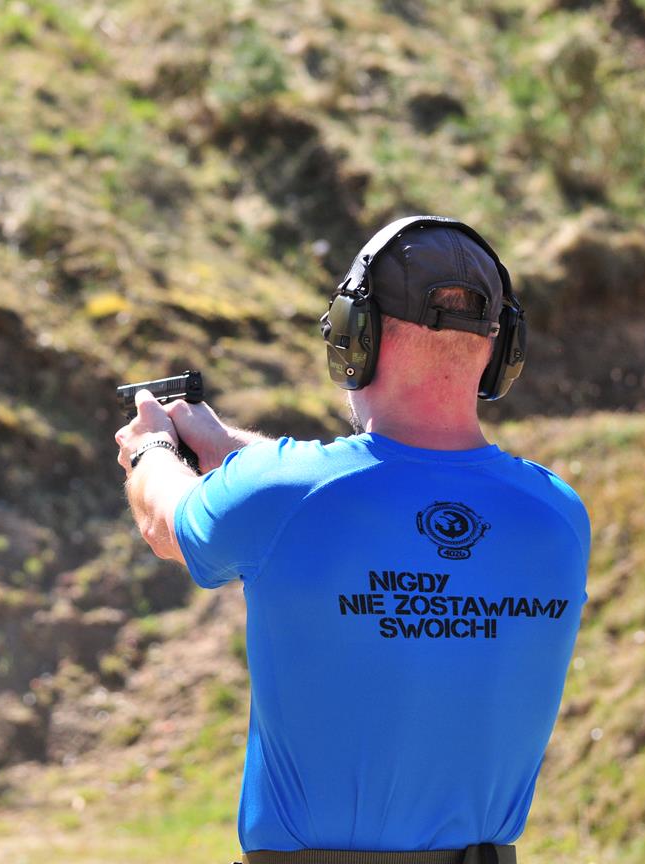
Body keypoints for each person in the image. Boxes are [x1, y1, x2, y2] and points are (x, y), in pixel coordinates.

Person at [114, 216, 589, 864]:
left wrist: (152, 447)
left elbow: (166, 521)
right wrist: (225, 448)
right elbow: (375, 488)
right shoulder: (557, 514)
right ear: (500, 347)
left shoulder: (280, 495)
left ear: (353, 334)